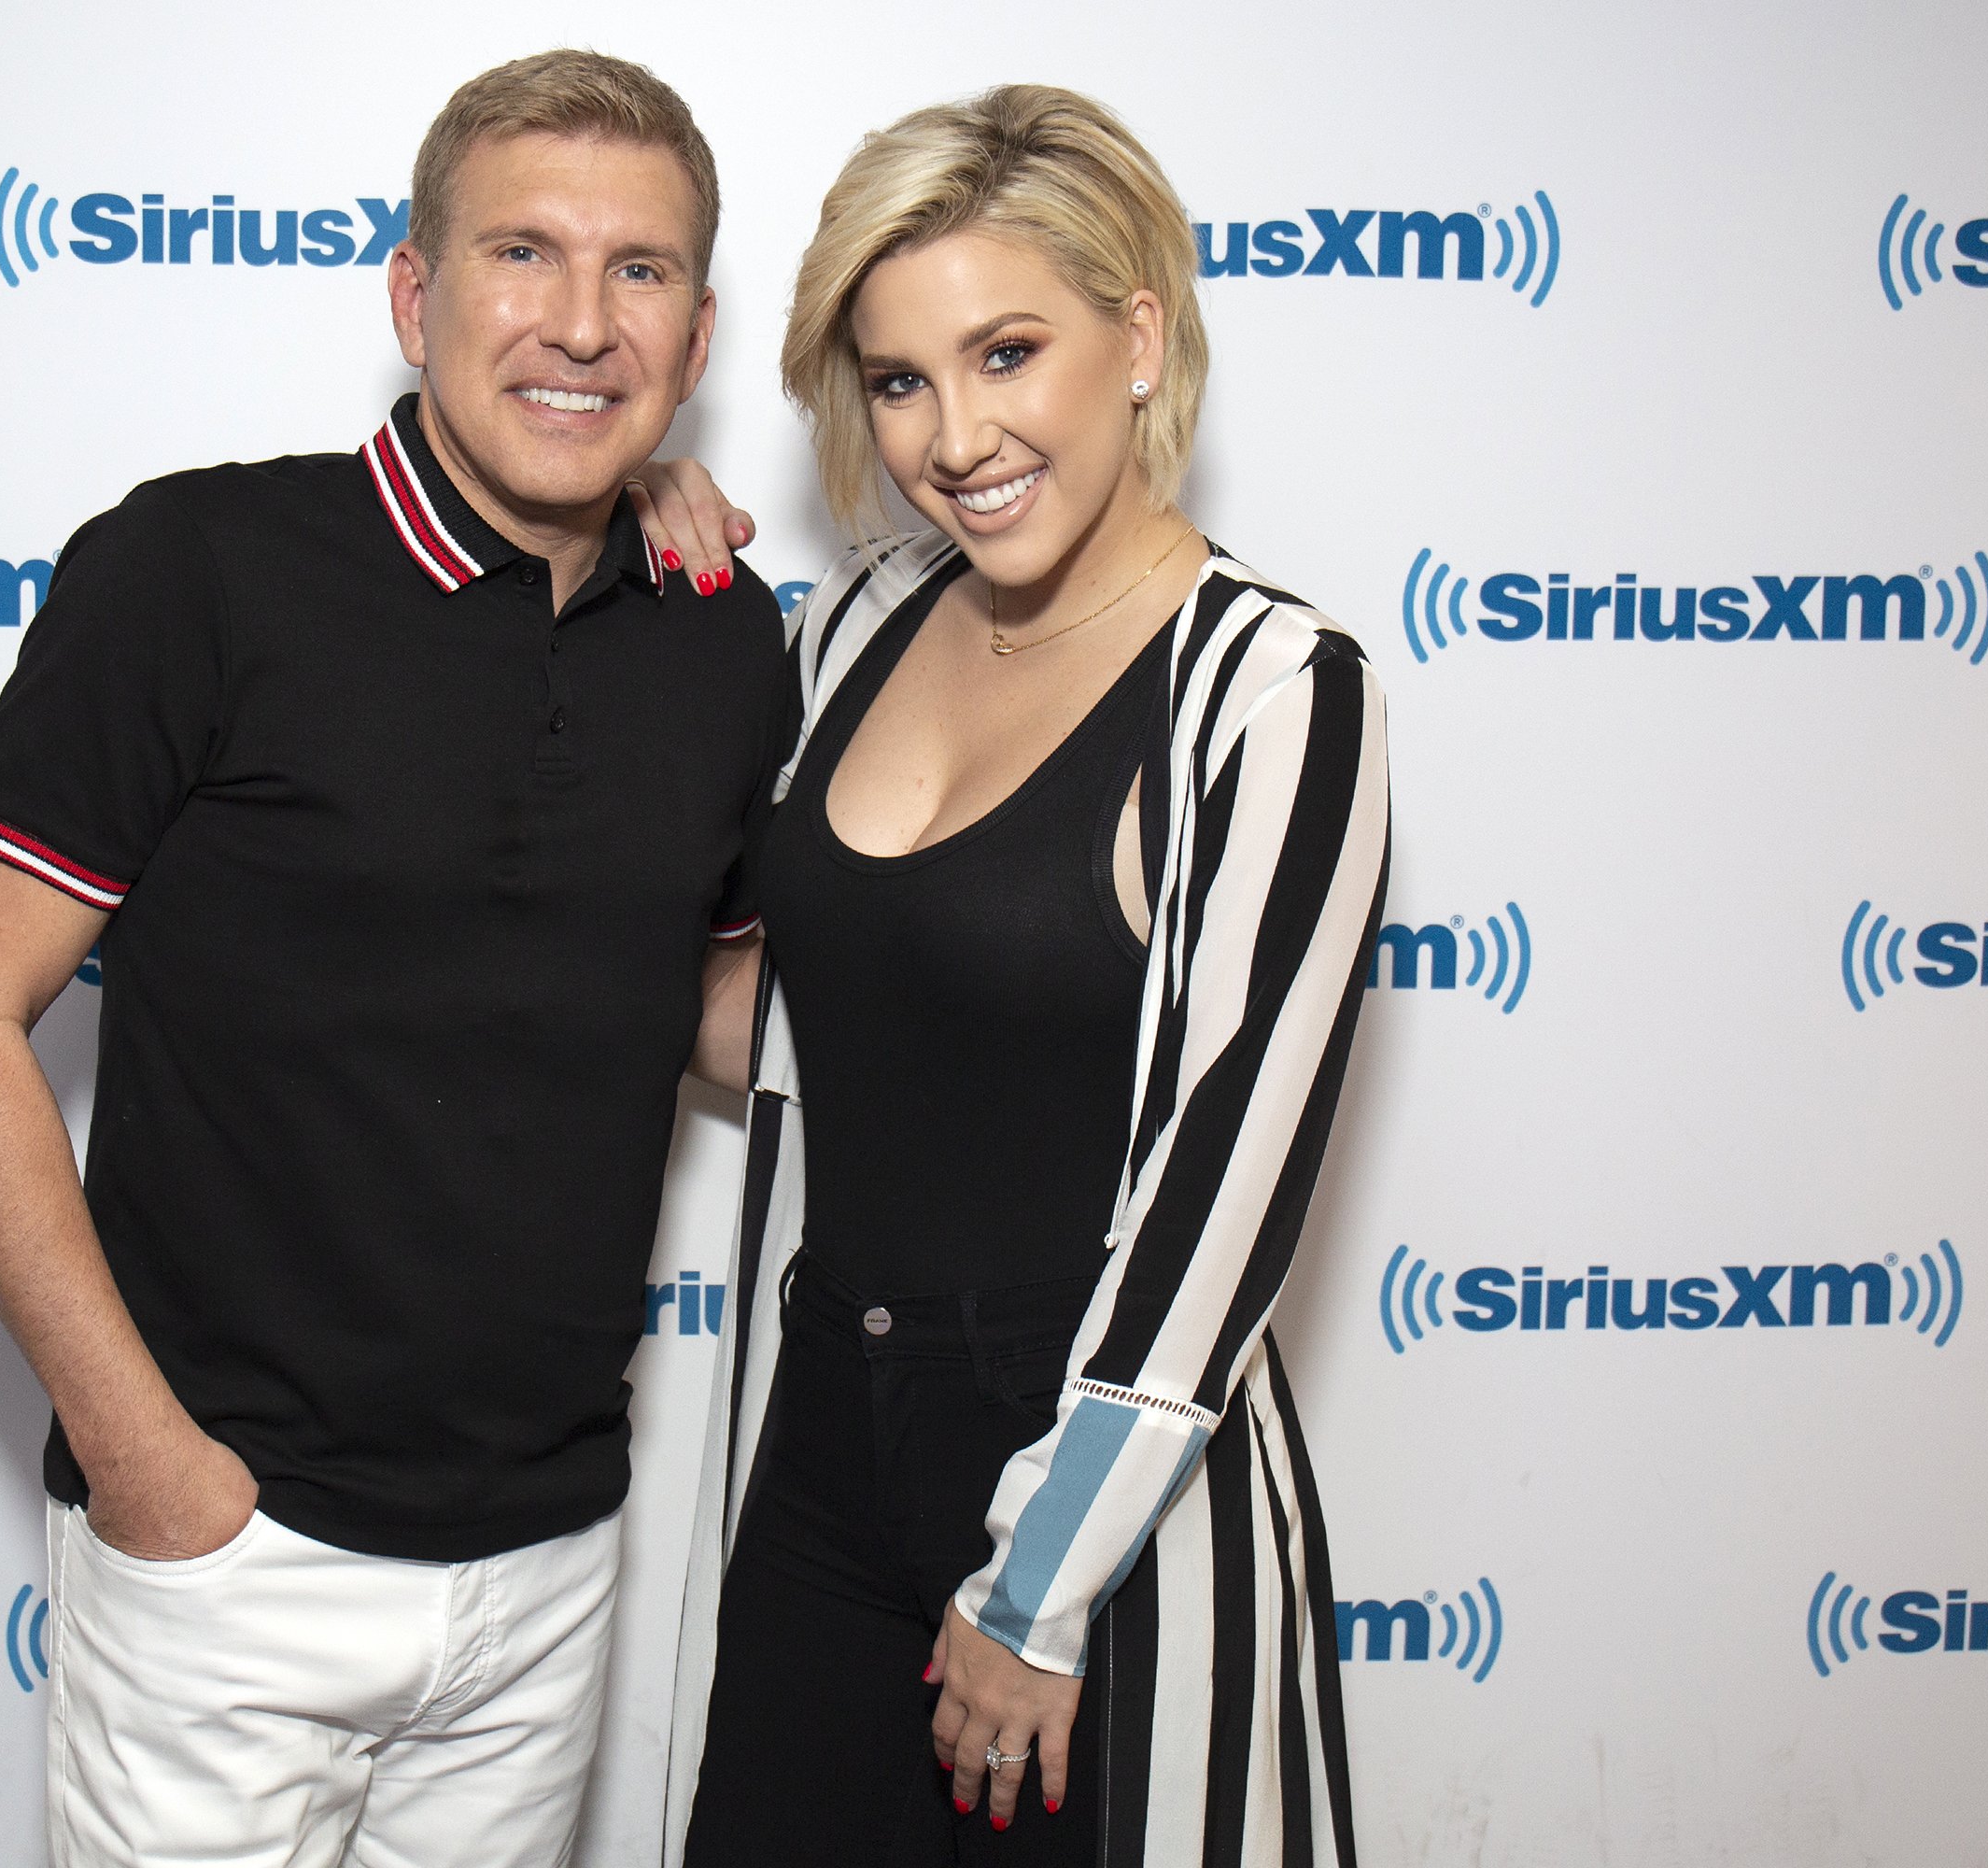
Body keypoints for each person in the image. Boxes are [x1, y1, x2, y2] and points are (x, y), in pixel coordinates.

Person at [0, 50, 790, 1868]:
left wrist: (1034, 979)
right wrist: (147, 1462)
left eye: (642, 272)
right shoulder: (196, 571)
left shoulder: (723, 631)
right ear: (414, 292)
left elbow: (711, 1016)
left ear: (695, 342)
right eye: (523, 253)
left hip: (548, 1564)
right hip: (230, 1555)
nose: (581, 323)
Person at [639, 86, 1389, 1866]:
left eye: (1008, 352)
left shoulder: (1273, 691)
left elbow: (1229, 1186)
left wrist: (1037, 1588)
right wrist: (633, 554)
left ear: (1138, 336)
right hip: (824, 1430)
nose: (953, 434)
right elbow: (769, 1032)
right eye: (898, 380)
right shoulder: (856, 628)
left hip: (1094, 1488)